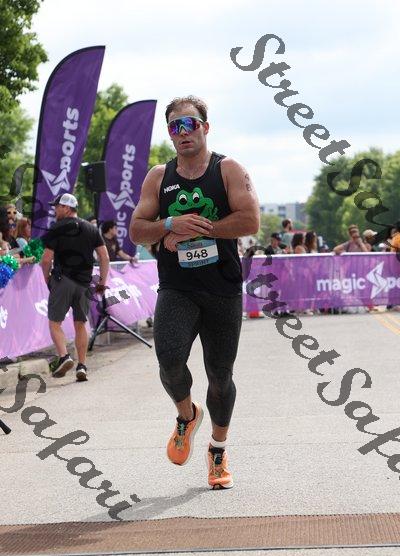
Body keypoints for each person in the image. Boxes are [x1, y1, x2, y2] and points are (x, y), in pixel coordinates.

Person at [130, 95, 260, 490]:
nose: (183, 132)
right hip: (178, 286)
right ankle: (187, 416)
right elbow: (137, 229)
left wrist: (199, 229)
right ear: (170, 134)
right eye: (175, 126)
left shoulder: (228, 169)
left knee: (220, 375)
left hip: (222, 287)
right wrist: (169, 224)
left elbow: (249, 220)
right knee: (169, 358)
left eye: (190, 124)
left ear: (205, 127)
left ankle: (218, 450)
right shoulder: (159, 176)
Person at [41, 193, 109, 381]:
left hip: (62, 280)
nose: (55, 210)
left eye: (57, 207)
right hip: (85, 283)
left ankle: (64, 357)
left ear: (66, 208)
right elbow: (104, 257)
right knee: (80, 324)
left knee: (55, 322)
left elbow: (46, 259)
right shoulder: (91, 228)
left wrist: (46, 278)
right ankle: (82, 365)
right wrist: (102, 282)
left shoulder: (57, 228)